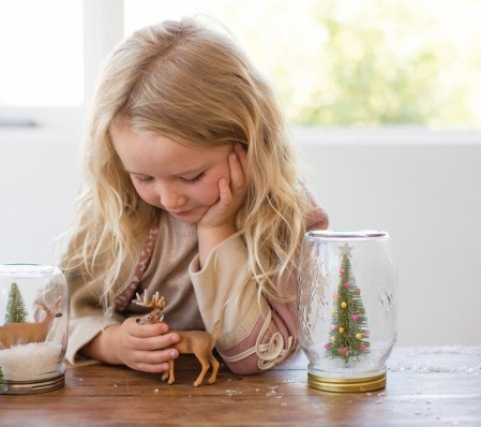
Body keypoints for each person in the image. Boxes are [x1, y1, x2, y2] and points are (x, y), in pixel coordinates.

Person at [59, 17, 328, 376]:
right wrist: (111, 343)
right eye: (143, 177)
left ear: (247, 145)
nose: (169, 199)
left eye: (190, 176)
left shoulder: (289, 221)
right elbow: (62, 316)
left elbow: (255, 356)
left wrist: (217, 229)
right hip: (127, 403)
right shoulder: (117, 209)